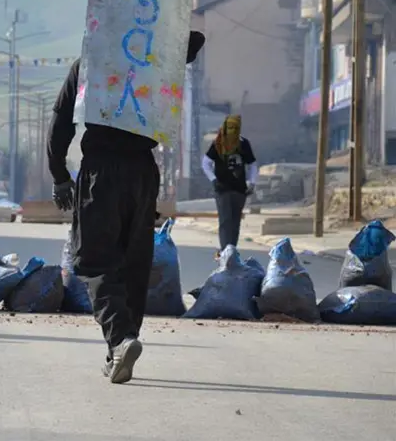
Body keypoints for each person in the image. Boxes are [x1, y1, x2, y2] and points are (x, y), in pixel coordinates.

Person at [48, 30, 206, 384]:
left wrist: (59, 174)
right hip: (142, 172)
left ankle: (120, 340)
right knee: (133, 262)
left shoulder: (88, 66)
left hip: (101, 171)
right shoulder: (155, 64)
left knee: (93, 261)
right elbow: (193, 42)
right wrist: (160, 26)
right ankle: (120, 346)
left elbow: (61, 121)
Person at [202, 114, 258, 252]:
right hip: (222, 188)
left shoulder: (243, 144)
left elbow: (252, 164)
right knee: (225, 221)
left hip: (240, 189)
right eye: (230, 127)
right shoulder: (218, 143)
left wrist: (252, 182)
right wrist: (213, 180)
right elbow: (206, 163)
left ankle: (232, 249)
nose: (232, 130)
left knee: (235, 222)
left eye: (235, 127)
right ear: (225, 127)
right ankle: (225, 251)